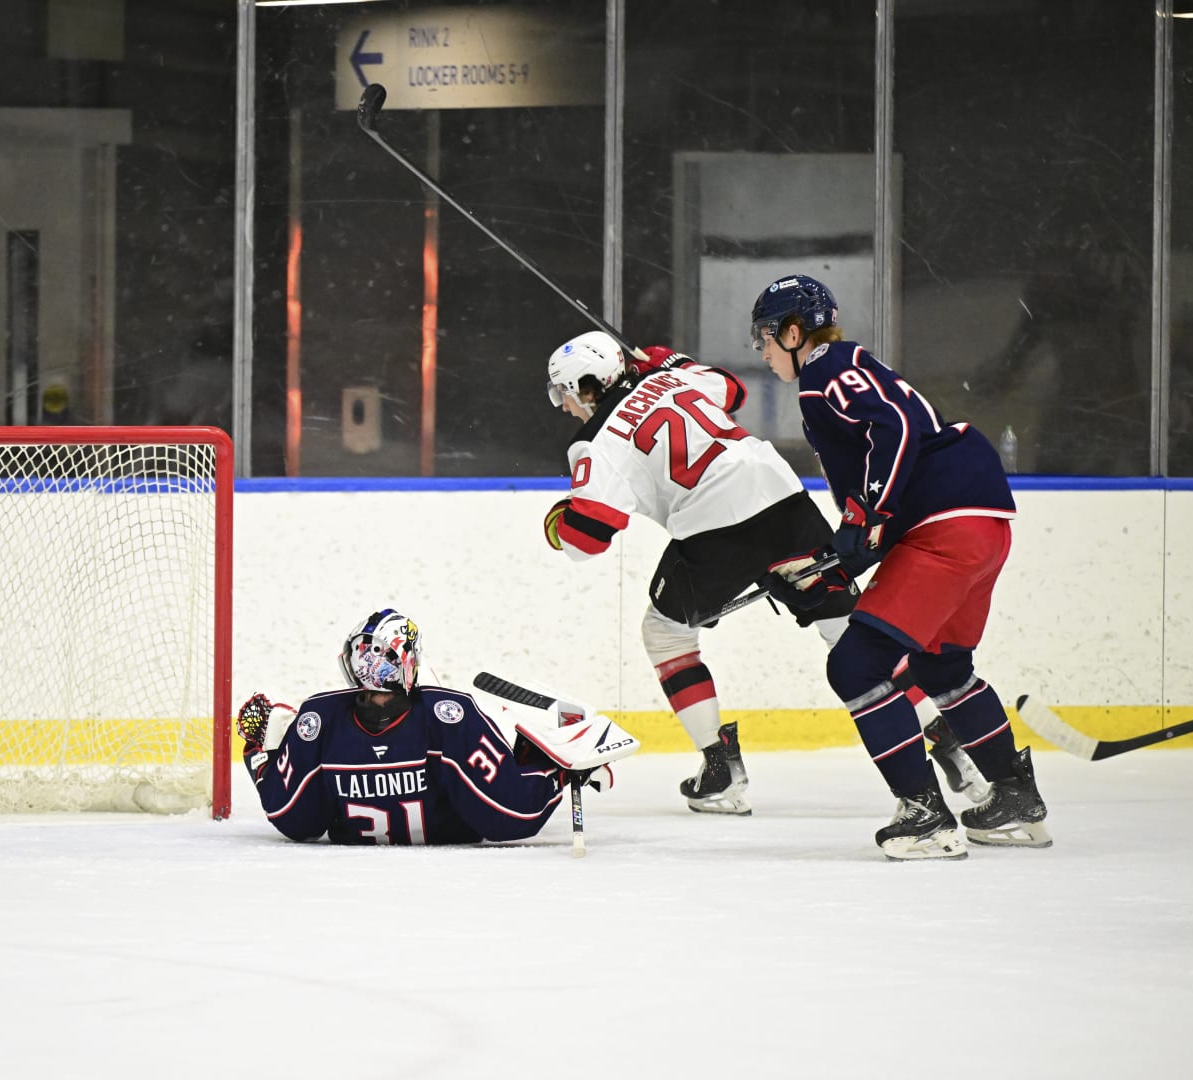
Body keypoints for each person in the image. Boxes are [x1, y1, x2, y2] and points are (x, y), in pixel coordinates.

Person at [748, 273, 1051, 861]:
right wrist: (842, 558)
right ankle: (1015, 798)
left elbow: (897, 428)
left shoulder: (825, 370)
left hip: (945, 529)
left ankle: (925, 815)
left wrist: (866, 514)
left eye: (765, 336)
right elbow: (893, 463)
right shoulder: (845, 367)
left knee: (856, 667)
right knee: (943, 667)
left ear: (794, 332)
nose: (761, 350)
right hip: (978, 525)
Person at [542, 330, 859, 815]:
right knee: (849, 631)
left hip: (718, 531)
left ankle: (719, 768)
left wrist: (557, 522)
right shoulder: (672, 379)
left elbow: (585, 541)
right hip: (785, 500)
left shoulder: (594, 439)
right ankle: (943, 740)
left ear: (587, 386)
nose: (564, 407)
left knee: (665, 633)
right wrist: (666, 359)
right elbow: (733, 390)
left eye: (563, 393)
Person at [238, 608, 632, 846]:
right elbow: (512, 814)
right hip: (451, 837)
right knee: (494, 738)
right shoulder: (448, 713)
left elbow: (289, 816)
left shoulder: (320, 717)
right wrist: (559, 775)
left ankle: (533, 746)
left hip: (362, 878)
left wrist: (259, 750)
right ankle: (537, 747)